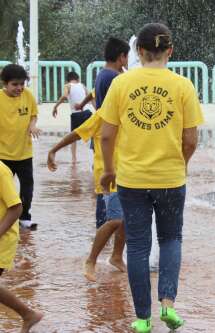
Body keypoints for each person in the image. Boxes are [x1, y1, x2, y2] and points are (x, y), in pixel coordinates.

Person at [99, 23, 204, 332]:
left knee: (139, 247)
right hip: (171, 178)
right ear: (169, 51)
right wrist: (179, 164)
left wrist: (108, 169)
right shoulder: (183, 86)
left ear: (138, 52)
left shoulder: (121, 83)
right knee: (171, 239)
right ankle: (168, 305)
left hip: (132, 179)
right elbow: (191, 140)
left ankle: (143, 318)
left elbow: (106, 135)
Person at [47, 110, 126, 282]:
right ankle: (91, 260)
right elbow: (77, 133)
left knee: (126, 218)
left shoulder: (130, 112)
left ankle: (117, 256)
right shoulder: (103, 115)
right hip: (108, 175)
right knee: (116, 220)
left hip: (129, 174)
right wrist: (53, 150)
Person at [77, 37, 129, 232]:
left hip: (101, 133)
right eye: (127, 57)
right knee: (109, 183)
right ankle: (107, 227)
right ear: (121, 57)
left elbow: (92, 96)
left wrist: (82, 105)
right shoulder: (114, 78)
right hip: (111, 137)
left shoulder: (103, 74)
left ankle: (104, 226)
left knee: (103, 184)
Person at [0, 161, 43, 332]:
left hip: (3, 237)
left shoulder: (1, 171)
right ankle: (28, 314)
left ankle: (28, 314)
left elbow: (16, 208)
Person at [0, 64, 41, 230]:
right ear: (5, 83)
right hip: (3, 155)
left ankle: (24, 217)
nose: (19, 88)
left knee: (27, 189)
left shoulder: (28, 96)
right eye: (15, 84)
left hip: (24, 154)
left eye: (22, 84)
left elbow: (33, 114)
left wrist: (32, 125)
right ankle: (5, 219)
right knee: (3, 191)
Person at [52, 71, 92, 162]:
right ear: (78, 79)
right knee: (94, 134)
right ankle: (96, 154)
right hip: (87, 113)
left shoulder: (67, 86)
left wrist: (55, 106)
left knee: (73, 138)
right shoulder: (82, 85)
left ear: (67, 80)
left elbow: (64, 96)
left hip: (76, 115)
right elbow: (91, 97)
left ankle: (74, 158)